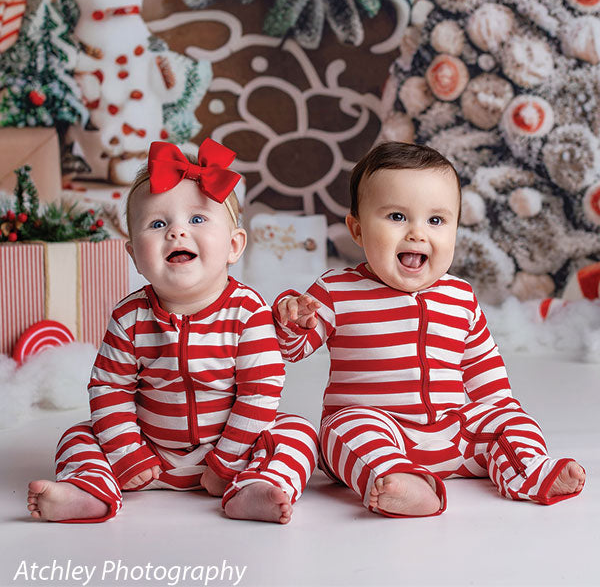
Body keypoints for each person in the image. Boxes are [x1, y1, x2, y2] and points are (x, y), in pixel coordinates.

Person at [275, 141, 585, 518]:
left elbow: (487, 377)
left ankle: (528, 470)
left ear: (455, 228)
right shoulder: (337, 290)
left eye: (436, 221)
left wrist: (501, 417)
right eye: (396, 217)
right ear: (357, 230)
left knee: (509, 417)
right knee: (343, 429)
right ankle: (399, 480)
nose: (417, 234)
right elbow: (291, 349)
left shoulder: (460, 296)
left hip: (452, 436)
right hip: (378, 428)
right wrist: (292, 319)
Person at [27, 139, 317, 524]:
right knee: (78, 436)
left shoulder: (248, 312)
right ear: (134, 256)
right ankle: (89, 490)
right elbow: (109, 389)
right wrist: (127, 453)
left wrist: (226, 461)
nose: (176, 233)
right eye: (158, 223)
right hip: (149, 456)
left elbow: (259, 391)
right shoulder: (130, 316)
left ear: (234, 245)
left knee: (297, 432)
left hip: (232, 452)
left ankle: (254, 488)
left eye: (197, 219)